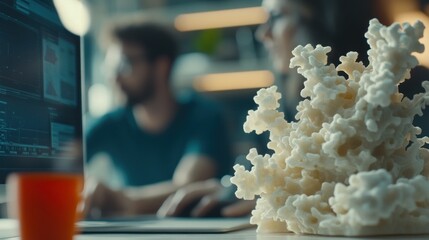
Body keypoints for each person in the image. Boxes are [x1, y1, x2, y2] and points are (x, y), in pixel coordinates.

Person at [157, 0, 396, 218]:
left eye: (276, 16)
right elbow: (264, 168)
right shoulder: (280, 106)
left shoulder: (402, 93)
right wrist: (233, 187)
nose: (263, 34)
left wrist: (285, 195)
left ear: (328, 22)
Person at [84, 20, 234, 218]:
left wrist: (122, 199)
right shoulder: (109, 123)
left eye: (125, 64)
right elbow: (59, 160)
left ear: (161, 66)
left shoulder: (204, 116)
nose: (115, 77)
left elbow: (187, 187)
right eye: (111, 67)